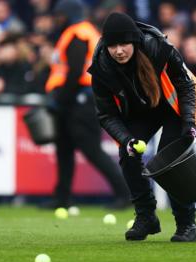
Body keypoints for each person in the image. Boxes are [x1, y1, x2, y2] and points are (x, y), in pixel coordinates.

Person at [88, 13, 196, 242]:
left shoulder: (158, 47)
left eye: (123, 43)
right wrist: (127, 140)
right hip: (143, 111)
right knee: (128, 155)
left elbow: (186, 85)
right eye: (112, 45)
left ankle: (186, 224)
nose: (118, 50)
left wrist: (188, 122)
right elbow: (106, 115)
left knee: (172, 161)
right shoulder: (101, 67)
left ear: (134, 41)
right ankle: (146, 217)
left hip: (173, 106)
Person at [42, 0, 130, 209]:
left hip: (78, 100)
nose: (57, 19)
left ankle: (125, 194)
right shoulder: (80, 31)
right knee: (63, 149)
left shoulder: (78, 33)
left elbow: (74, 72)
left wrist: (59, 100)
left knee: (92, 150)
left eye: (60, 15)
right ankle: (62, 197)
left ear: (70, 14)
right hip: (73, 99)